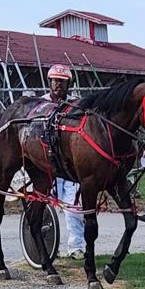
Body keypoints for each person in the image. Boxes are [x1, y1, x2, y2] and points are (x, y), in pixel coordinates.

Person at [42, 64, 86, 260]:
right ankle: (46, 247)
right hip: (45, 164)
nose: (57, 84)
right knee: (43, 206)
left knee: (74, 207)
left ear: (69, 84)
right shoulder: (39, 105)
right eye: (54, 81)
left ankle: (76, 246)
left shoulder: (76, 106)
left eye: (62, 81)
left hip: (69, 166)